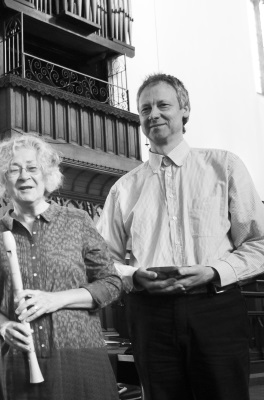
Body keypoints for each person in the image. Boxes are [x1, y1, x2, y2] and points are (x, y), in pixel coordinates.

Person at [97, 73, 264, 400]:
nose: (153, 114)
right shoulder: (124, 189)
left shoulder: (224, 166)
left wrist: (214, 271)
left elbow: (259, 243)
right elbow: (103, 260)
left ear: (184, 109)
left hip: (214, 306)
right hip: (150, 313)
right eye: (145, 109)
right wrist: (135, 277)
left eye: (163, 105)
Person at [0, 134, 122, 400]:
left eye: (32, 167)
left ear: (47, 175)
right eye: (13, 169)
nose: (23, 176)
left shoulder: (77, 221)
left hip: (78, 357)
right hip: (15, 361)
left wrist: (55, 300)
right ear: (2, 180)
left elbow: (111, 282)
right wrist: (2, 325)